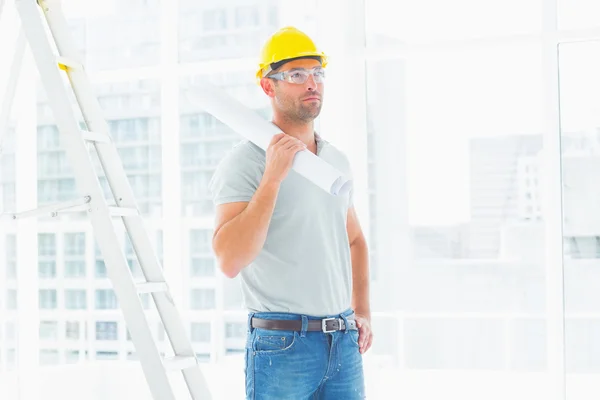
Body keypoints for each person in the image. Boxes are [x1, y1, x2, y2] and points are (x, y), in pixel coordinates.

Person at [209, 26, 372, 399]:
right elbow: (230, 259)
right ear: (269, 87)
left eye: (317, 73)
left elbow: (355, 240)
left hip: (343, 341)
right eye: (297, 75)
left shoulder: (334, 161)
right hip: (282, 346)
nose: (311, 83)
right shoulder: (245, 162)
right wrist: (272, 178)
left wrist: (362, 311)